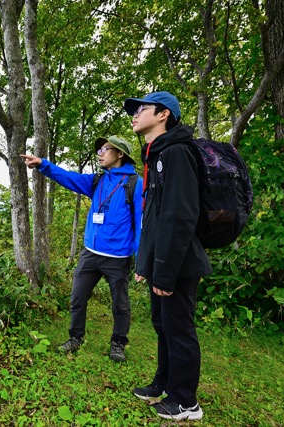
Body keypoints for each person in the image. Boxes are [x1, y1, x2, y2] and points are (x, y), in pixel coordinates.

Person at [123, 91, 212, 420]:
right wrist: (146, 263)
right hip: (164, 263)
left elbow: (180, 216)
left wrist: (165, 271)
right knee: (163, 325)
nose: (135, 115)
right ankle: (164, 383)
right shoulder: (156, 154)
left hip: (178, 264)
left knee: (179, 329)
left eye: (142, 109)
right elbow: (155, 216)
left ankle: (186, 402)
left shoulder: (175, 152)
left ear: (163, 115)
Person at [21, 135, 143, 363]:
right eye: (99, 150)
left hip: (118, 256)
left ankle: (118, 342)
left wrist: (142, 259)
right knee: (77, 297)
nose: (100, 153)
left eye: (105, 149)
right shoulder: (97, 181)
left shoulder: (135, 184)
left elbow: (142, 223)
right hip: (90, 253)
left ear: (120, 154)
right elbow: (69, 178)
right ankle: (75, 337)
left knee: (120, 304)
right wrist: (43, 165)